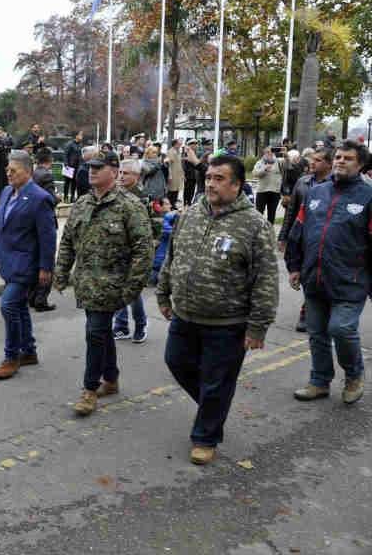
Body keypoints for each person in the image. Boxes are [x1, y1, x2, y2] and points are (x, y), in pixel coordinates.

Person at [157, 154, 279, 465]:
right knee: (176, 361)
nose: (211, 183)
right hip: (185, 314)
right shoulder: (191, 214)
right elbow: (173, 257)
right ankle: (214, 407)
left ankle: (205, 436)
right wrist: (163, 293)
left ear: (238, 185)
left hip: (228, 322)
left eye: (219, 179)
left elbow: (265, 278)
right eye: (209, 177)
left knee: (216, 380)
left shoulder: (254, 225)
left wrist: (258, 327)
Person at [53, 151, 152, 415]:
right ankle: (111, 378)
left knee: (94, 333)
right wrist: (60, 274)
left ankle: (89, 389)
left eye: (98, 167)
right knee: (101, 331)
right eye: (90, 167)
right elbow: (67, 242)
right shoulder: (83, 203)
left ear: (114, 171)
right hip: (87, 284)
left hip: (113, 286)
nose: (92, 171)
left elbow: (144, 251)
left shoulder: (129, 205)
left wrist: (131, 289)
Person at [285, 140, 370, 405]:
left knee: (341, 329)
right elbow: (298, 231)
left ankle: (354, 375)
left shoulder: (368, 197)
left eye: (348, 158)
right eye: (339, 157)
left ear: (361, 164)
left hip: (351, 281)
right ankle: (319, 381)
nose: (341, 161)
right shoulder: (315, 193)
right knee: (317, 333)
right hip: (315, 277)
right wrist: (295, 266)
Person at [0, 150, 57, 380]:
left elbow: (47, 237)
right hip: (8, 262)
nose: (9, 174)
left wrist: (45, 268)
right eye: (7, 170)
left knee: (9, 305)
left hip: (26, 265)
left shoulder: (40, 198)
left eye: (14, 170)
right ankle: (29, 351)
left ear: (28, 171)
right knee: (20, 307)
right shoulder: (5, 192)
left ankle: (12, 356)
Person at [277, 147, 331, 333]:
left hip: (326, 239)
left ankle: (311, 309)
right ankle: (308, 308)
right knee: (307, 274)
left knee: (322, 275)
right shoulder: (302, 183)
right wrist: (284, 236)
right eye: (312, 159)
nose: (312, 163)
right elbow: (291, 213)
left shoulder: (336, 185)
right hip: (303, 238)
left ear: (329, 164)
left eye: (318, 160)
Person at [111, 158, 153, 344]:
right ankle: (121, 326)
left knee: (133, 293)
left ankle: (141, 324)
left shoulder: (143, 197)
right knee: (119, 289)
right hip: (118, 250)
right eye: (120, 173)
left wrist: (145, 253)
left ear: (136, 176)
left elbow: (155, 225)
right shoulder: (115, 194)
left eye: (125, 173)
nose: (121, 176)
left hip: (136, 252)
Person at [29, 148, 60, 312]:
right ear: (49, 160)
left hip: (32, 222)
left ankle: (32, 296)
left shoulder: (33, 174)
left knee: (35, 260)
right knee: (47, 262)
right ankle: (41, 299)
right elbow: (49, 200)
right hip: (45, 222)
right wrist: (57, 198)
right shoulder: (47, 175)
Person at [253, 146, 285, 225]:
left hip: (275, 191)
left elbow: (288, 166)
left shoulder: (279, 162)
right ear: (264, 153)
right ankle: (258, 230)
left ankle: (270, 231)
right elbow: (255, 173)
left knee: (272, 213)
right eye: (267, 152)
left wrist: (286, 155)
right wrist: (264, 169)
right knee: (259, 213)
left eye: (271, 151)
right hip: (262, 191)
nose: (269, 153)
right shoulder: (260, 162)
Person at [151, 197, 178, 285]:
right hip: (159, 263)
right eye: (166, 204)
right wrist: (171, 215)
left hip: (164, 262)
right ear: (160, 207)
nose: (169, 206)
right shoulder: (160, 221)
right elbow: (171, 233)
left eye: (169, 204)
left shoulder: (169, 220)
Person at [64, 131, 83, 203]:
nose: (82, 136)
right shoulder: (70, 144)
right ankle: (65, 197)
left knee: (74, 182)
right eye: (80, 135)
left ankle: (72, 197)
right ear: (76, 136)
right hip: (69, 166)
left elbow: (80, 156)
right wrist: (66, 164)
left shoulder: (80, 145)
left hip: (77, 166)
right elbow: (66, 154)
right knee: (67, 182)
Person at [165, 139, 184, 208]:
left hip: (178, 174)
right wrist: (169, 175)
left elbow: (180, 164)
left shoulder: (178, 152)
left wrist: (182, 174)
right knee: (171, 190)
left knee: (177, 189)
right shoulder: (170, 152)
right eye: (179, 143)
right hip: (173, 174)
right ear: (175, 144)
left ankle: (174, 203)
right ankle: (169, 204)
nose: (180, 145)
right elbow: (168, 164)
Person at [181, 139, 198, 206]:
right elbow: (183, 165)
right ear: (190, 145)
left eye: (195, 145)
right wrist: (183, 174)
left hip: (194, 174)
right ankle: (185, 201)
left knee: (192, 189)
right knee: (187, 189)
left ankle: (190, 201)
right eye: (193, 145)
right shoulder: (186, 153)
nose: (195, 146)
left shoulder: (195, 153)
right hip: (187, 174)